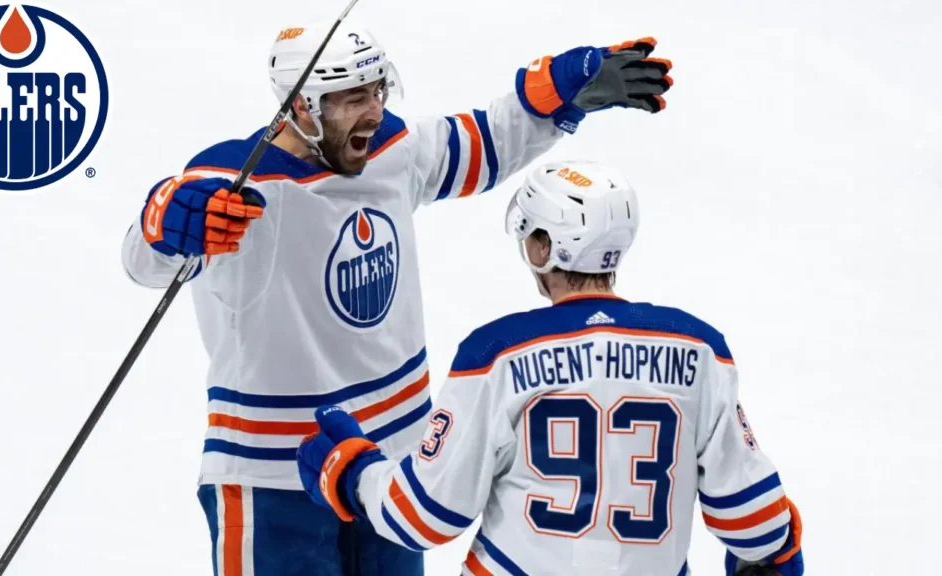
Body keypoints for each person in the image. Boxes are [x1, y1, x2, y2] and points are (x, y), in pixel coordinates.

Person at [121, 15, 674, 576]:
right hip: (271, 478)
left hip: (386, 466)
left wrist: (550, 97)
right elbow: (145, 261)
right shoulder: (236, 189)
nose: (374, 112)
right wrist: (165, 221)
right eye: (352, 98)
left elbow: (482, 142)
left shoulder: (391, 151)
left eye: (378, 89)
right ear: (302, 107)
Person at [297, 160, 805, 576]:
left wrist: (351, 471)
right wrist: (778, 552)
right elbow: (758, 524)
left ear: (543, 248)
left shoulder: (496, 352)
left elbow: (424, 516)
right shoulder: (698, 349)